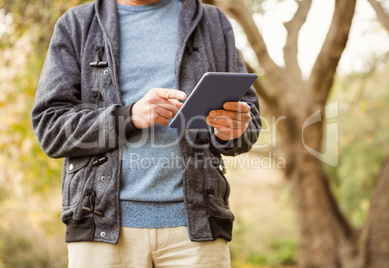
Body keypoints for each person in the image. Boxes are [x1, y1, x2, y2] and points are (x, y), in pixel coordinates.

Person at [32, 0, 261, 266]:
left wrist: (230, 130)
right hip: (101, 229)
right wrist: (129, 117)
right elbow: (51, 127)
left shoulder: (212, 22)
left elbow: (249, 122)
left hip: (198, 231)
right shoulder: (76, 24)